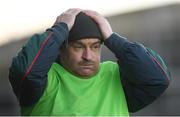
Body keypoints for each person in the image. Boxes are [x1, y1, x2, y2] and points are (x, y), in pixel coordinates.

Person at [9, 8, 172, 116]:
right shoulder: (45, 79)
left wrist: (112, 38)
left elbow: (158, 78)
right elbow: (26, 72)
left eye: (95, 47)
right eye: (78, 47)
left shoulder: (114, 74)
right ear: (60, 48)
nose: (88, 56)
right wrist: (59, 30)